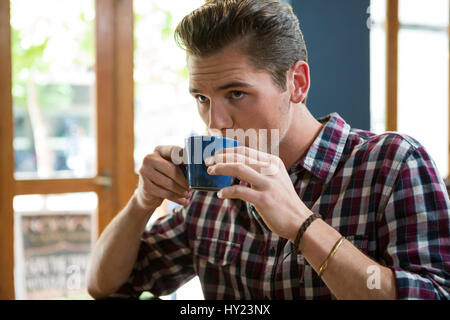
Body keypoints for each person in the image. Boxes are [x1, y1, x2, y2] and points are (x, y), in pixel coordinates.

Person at [86, 0, 450, 299]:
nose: (217, 123)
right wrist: (141, 202)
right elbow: (106, 285)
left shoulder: (392, 164)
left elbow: (432, 295)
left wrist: (302, 226)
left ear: (297, 83)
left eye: (236, 94)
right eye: (201, 98)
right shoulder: (212, 184)